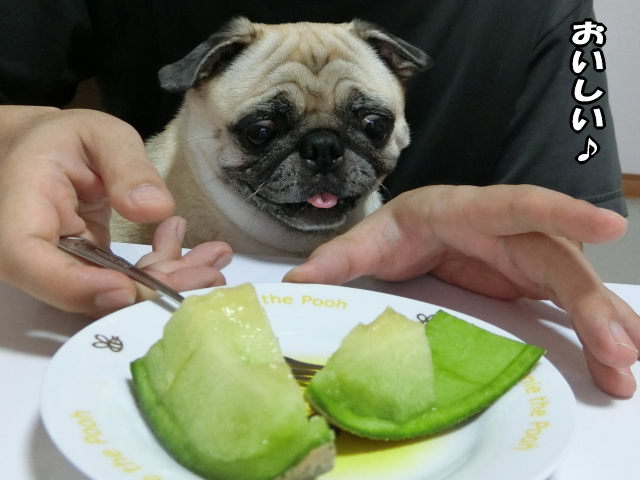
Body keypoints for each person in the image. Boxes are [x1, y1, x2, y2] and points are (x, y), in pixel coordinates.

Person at [0, 0, 637, 397]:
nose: (325, 157)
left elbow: (557, 225)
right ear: (200, 92)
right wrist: (23, 130)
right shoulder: (104, 228)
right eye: (261, 131)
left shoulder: (547, 12)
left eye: (371, 126)